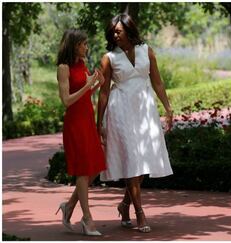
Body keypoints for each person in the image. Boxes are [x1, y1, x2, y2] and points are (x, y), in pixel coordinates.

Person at [97, 14, 173, 233]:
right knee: (132, 159)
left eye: (118, 31)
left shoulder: (146, 51)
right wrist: (99, 123)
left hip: (145, 110)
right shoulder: (109, 58)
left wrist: (168, 108)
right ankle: (140, 214)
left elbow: (157, 82)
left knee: (142, 163)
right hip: (120, 110)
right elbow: (103, 94)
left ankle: (124, 205)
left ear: (129, 31)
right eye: (112, 31)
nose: (114, 34)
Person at [55, 29, 106, 236]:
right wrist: (87, 86)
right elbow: (66, 101)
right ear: (75, 45)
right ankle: (87, 219)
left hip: (86, 121)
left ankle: (68, 206)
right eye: (84, 43)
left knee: (95, 168)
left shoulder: (81, 65)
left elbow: (83, 96)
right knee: (84, 171)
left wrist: (96, 85)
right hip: (75, 124)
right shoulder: (63, 68)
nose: (87, 47)